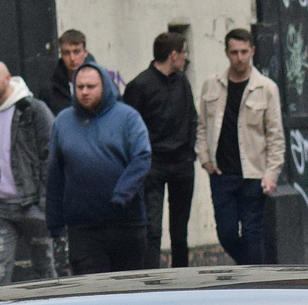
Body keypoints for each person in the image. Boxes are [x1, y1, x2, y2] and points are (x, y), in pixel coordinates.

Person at [48, 64, 151, 275]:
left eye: (91, 86)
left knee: (127, 290)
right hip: (83, 226)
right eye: (80, 87)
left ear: (104, 86)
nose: (84, 92)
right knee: (91, 291)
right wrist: (54, 219)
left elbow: (142, 157)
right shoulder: (63, 122)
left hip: (126, 222)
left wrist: (123, 193)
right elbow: (54, 172)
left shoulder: (128, 118)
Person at [197, 27, 284, 265]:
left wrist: (271, 173)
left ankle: (255, 285)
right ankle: (254, 269)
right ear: (226, 52)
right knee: (225, 233)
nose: (240, 57)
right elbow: (202, 125)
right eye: (234, 52)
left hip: (254, 173)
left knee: (252, 232)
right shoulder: (211, 85)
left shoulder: (266, 88)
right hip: (221, 173)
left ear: (253, 51)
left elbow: (275, 134)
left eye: (244, 51)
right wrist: (204, 158)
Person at [121, 32, 199, 269]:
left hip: (182, 163)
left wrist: (190, 151)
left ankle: (182, 278)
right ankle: (152, 279)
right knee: (152, 228)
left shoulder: (182, 81)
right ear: (173, 55)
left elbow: (192, 117)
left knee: (180, 230)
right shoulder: (140, 85)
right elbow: (129, 128)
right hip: (152, 165)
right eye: (184, 52)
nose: (186, 58)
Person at [0, 61, 59, 285]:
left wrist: (44, 200)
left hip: (31, 204)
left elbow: (51, 153)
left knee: (45, 271)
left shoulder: (33, 110)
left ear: (7, 78)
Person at [43, 28, 122, 115]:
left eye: (76, 52)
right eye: (66, 53)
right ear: (61, 54)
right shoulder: (51, 88)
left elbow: (119, 112)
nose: (72, 58)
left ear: (85, 52)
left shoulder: (105, 82)